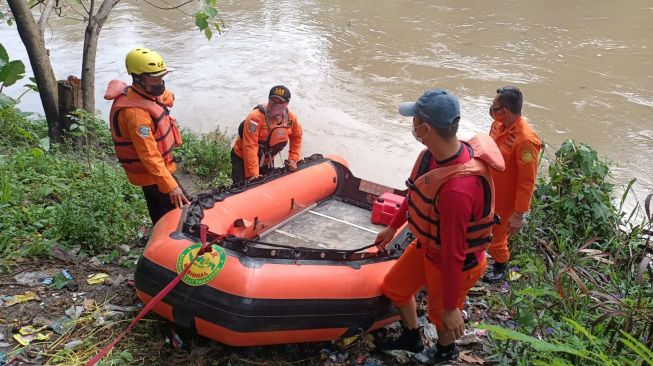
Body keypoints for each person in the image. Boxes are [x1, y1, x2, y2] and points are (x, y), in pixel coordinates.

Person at [374, 89, 504, 364]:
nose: (413, 126)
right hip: (426, 247)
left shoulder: (457, 191)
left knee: (441, 317)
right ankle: (412, 336)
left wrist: (450, 308)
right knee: (394, 287)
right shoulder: (427, 158)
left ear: (425, 127)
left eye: (415, 121)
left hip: (455, 262)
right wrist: (391, 228)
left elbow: (454, 253)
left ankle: (445, 351)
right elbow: (413, 195)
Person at [104, 47, 189, 225]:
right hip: (152, 175)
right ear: (139, 79)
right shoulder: (136, 115)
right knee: (172, 213)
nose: (160, 83)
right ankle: (164, 246)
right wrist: (170, 186)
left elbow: (167, 97)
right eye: (155, 79)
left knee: (171, 209)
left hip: (160, 171)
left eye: (161, 77)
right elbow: (149, 155)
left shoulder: (144, 94)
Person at [482, 86, 541, 283]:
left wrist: (519, 214)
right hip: (489, 190)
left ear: (504, 111)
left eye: (494, 106)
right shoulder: (498, 126)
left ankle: (500, 267)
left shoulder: (526, 141)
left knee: (497, 240)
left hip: (505, 201)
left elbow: (527, 181)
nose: (492, 110)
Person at [231, 85, 303, 183]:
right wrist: (254, 175)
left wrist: (293, 159)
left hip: (267, 160)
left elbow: (296, 137)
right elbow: (250, 147)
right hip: (243, 159)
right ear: (268, 99)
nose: (275, 105)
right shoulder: (255, 119)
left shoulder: (291, 118)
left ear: (286, 104)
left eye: (280, 102)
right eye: (272, 100)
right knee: (242, 187)